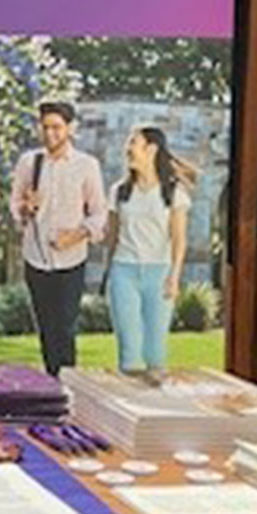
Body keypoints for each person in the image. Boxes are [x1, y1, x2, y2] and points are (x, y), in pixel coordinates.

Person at [9, 100, 106, 375]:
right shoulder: (30, 162)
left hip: (70, 259)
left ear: (70, 128)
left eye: (57, 127)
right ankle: (53, 386)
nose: (50, 133)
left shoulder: (86, 165)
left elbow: (99, 214)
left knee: (64, 327)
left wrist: (75, 236)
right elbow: (14, 205)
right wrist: (25, 209)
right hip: (36, 258)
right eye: (45, 127)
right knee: (46, 328)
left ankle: (68, 387)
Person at [103, 125, 194, 374]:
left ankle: (155, 408)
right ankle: (129, 408)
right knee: (129, 351)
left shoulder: (173, 193)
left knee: (155, 352)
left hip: (159, 274)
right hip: (124, 272)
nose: (128, 149)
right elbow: (111, 237)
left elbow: (179, 240)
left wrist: (174, 277)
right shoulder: (119, 192)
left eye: (133, 143)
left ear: (151, 149)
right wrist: (109, 273)